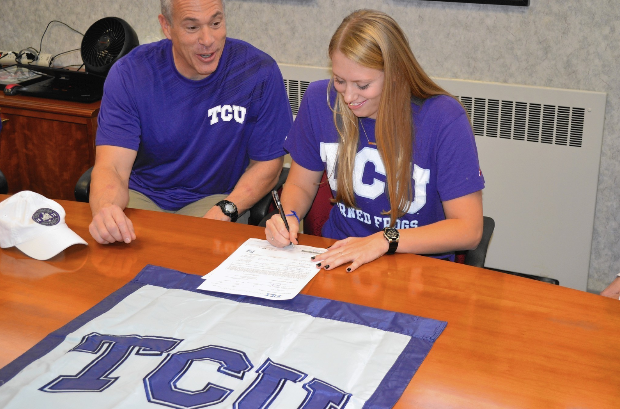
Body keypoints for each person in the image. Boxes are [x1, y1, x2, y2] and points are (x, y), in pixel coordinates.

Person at [265, 9, 485, 272]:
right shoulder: (318, 100)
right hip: (339, 257)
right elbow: (301, 186)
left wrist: (383, 240)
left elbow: (468, 229)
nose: (348, 97)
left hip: (417, 266)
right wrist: (287, 216)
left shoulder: (443, 118)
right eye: (339, 81)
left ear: (395, 74)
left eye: (362, 85)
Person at [89, 0, 292, 245]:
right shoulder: (130, 74)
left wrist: (227, 209)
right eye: (192, 28)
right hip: (142, 196)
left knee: (193, 263)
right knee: (116, 264)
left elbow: (268, 165)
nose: (208, 39)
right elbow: (112, 168)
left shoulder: (258, 72)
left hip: (214, 199)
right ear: (166, 26)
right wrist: (106, 209)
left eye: (216, 23)